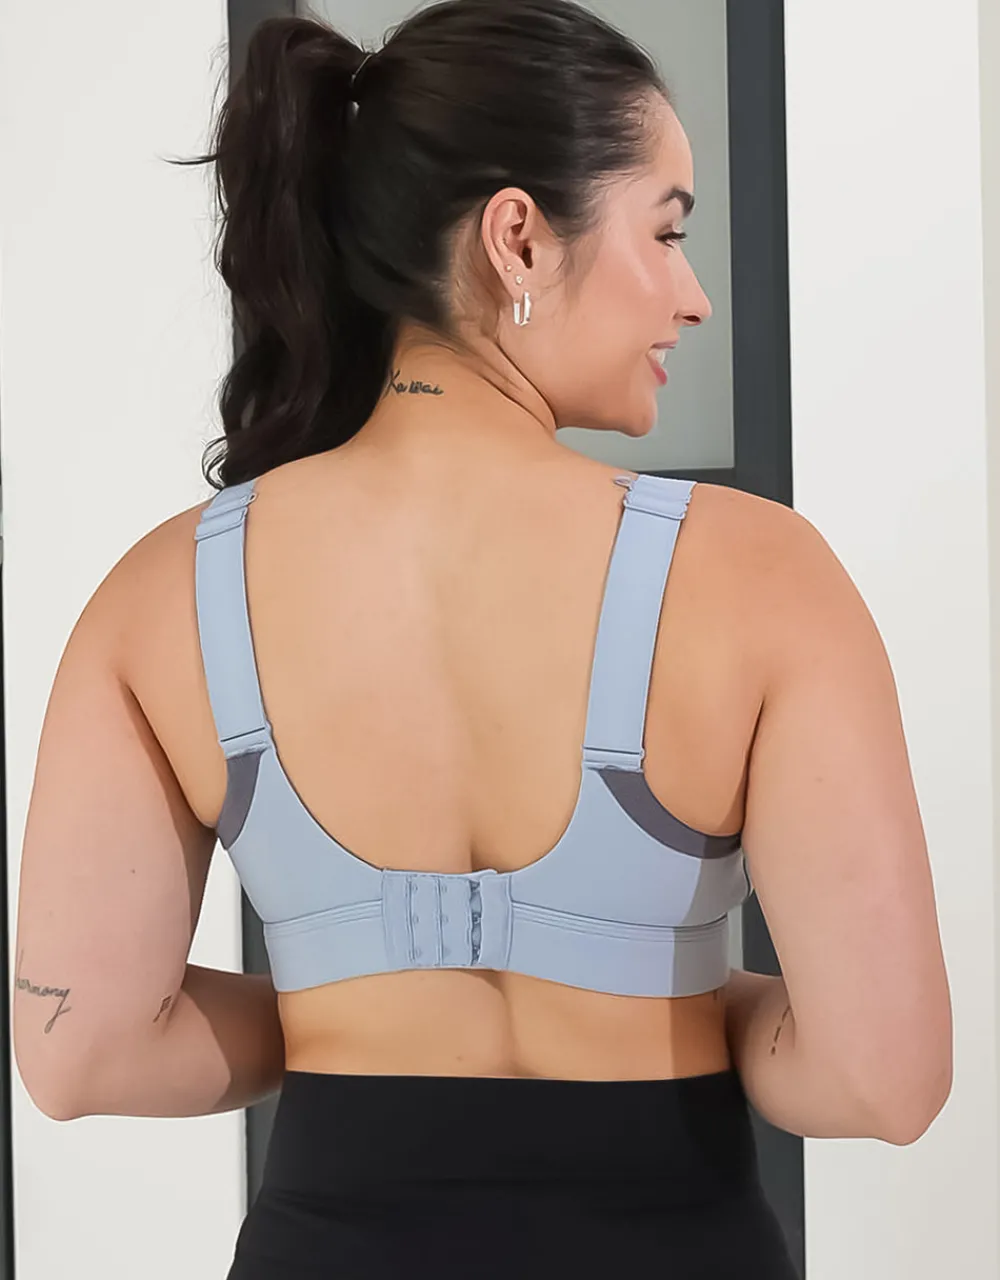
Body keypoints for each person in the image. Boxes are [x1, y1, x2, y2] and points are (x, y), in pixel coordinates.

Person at [12, 1, 952, 1276]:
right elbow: (880, 1077)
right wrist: (696, 1001)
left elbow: (82, 1050)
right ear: (517, 236)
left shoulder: (161, 591)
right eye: (666, 232)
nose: (691, 297)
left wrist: (348, 1004)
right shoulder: (761, 574)